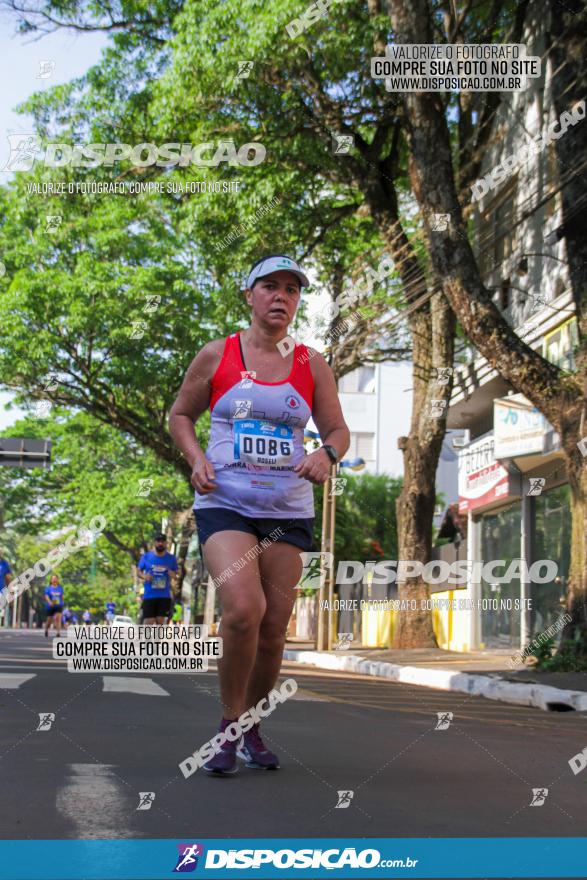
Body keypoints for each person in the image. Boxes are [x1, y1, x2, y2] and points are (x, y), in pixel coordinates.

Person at [169, 254, 350, 774]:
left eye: (291, 290)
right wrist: (195, 457)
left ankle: (252, 727)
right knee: (243, 612)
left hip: (286, 510)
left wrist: (326, 455)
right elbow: (181, 414)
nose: (281, 297)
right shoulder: (217, 355)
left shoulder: (312, 363)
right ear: (248, 295)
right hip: (225, 502)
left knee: (273, 628)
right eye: (270, 286)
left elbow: (337, 430)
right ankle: (228, 728)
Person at [137, 535, 179, 625]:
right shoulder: (146, 557)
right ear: (154, 543)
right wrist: (145, 576)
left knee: (161, 621)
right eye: (158, 541)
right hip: (149, 595)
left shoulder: (171, 558)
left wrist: (173, 574)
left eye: (163, 541)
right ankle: (146, 639)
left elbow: (177, 574)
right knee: (149, 621)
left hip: (164, 595)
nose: (160, 543)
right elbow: (138, 572)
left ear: (166, 543)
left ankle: (157, 639)